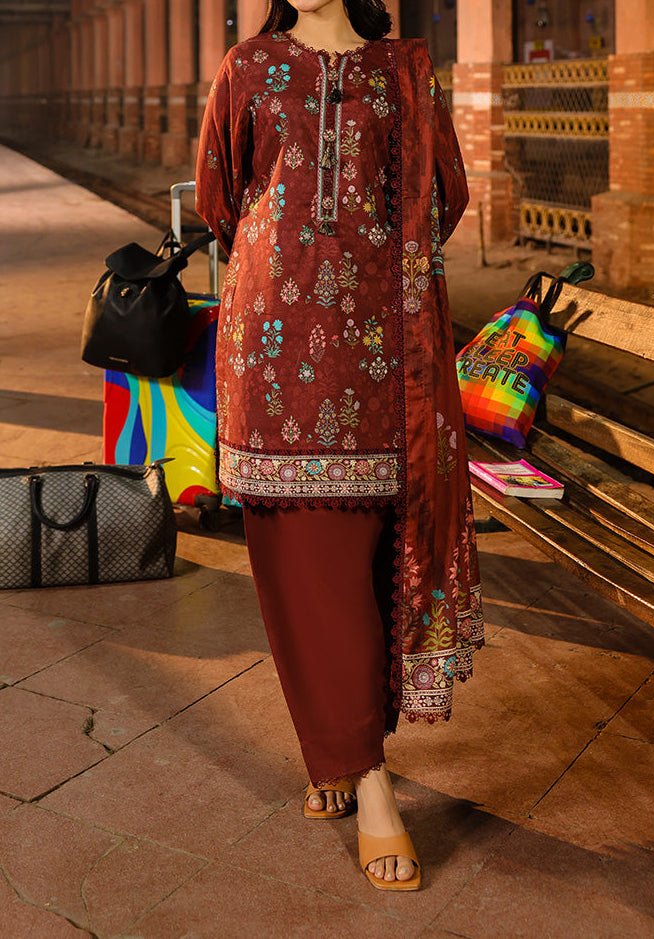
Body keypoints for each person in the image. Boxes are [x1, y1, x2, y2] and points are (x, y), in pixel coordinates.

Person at [195, 0, 485, 891]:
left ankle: (335, 748)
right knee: (305, 565)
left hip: (384, 346)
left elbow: (445, 196)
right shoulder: (247, 67)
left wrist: (370, 265)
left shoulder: (404, 69)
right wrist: (290, 254)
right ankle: (366, 779)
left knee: (373, 556)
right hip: (272, 339)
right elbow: (220, 197)